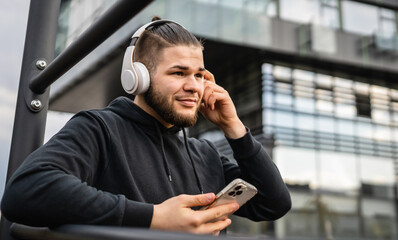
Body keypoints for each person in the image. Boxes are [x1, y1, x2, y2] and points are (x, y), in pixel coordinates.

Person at [1, 17, 291, 235]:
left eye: (200, 75)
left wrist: (234, 127)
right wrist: (153, 217)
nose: (194, 86)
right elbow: (26, 190)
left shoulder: (206, 154)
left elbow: (273, 204)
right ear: (138, 77)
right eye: (179, 73)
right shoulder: (100, 128)